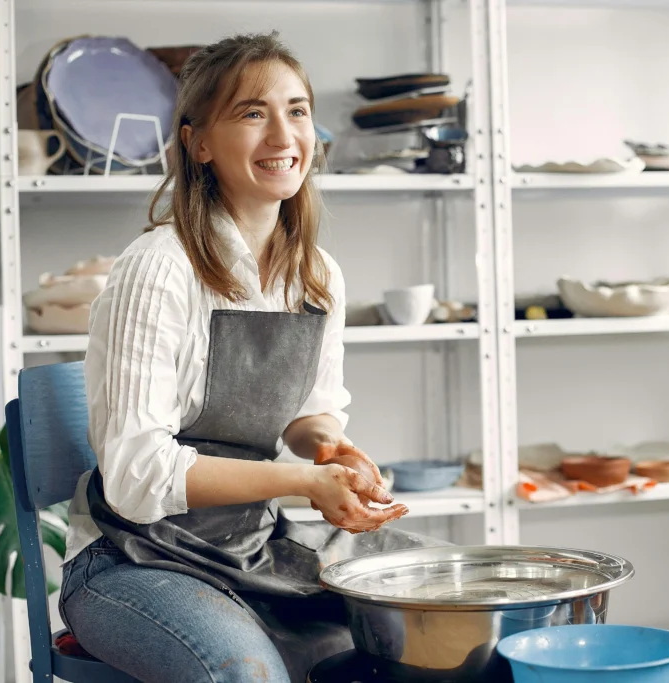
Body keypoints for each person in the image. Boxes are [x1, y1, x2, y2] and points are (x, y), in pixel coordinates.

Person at [58, 32, 440, 683]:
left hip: (251, 550)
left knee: (431, 615)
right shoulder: (159, 267)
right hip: (131, 561)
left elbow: (310, 411)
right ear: (198, 143)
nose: (283, 134)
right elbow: (134, 474)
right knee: (246, 671)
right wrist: (304, 483)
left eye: (296, 110)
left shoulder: (316, 275)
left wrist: (332, 451)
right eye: (252, 112)